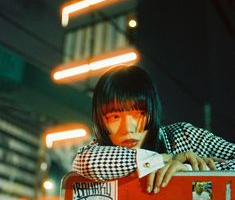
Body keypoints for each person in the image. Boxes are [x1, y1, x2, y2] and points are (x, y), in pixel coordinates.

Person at [72, 65, 235, 193]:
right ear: (101, 121)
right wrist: (164, 159)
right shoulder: (101, 149)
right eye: (114, 117)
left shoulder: (183, 136)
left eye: (138, 114)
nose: (129, 128)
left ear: (152, 111)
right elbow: (85, 161)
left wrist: (190, 170)